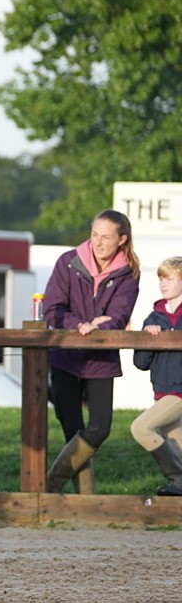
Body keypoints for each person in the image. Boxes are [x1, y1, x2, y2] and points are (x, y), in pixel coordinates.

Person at [43, 209, 140, 493]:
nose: (97, 243)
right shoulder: (68, 262)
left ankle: (50, 485)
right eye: (94, 234)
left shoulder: (128, 271)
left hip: (101, 357)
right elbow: (53, 307)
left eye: (106, 237)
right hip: (65, 355)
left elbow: (119, 314)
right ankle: (87, 500)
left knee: (99, 428)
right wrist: (80, 325)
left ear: (122, 239)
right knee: (72, 429)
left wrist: (103, 324)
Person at [130, 256, 182, 496]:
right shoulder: (153, 318)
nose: (163, 283)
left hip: (179, 393)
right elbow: (141, 363)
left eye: (170, 278)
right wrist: (148, 339)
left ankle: (176, 477)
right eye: (161, 278)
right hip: (161, 391)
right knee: (178, 449)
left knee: (141, 428)